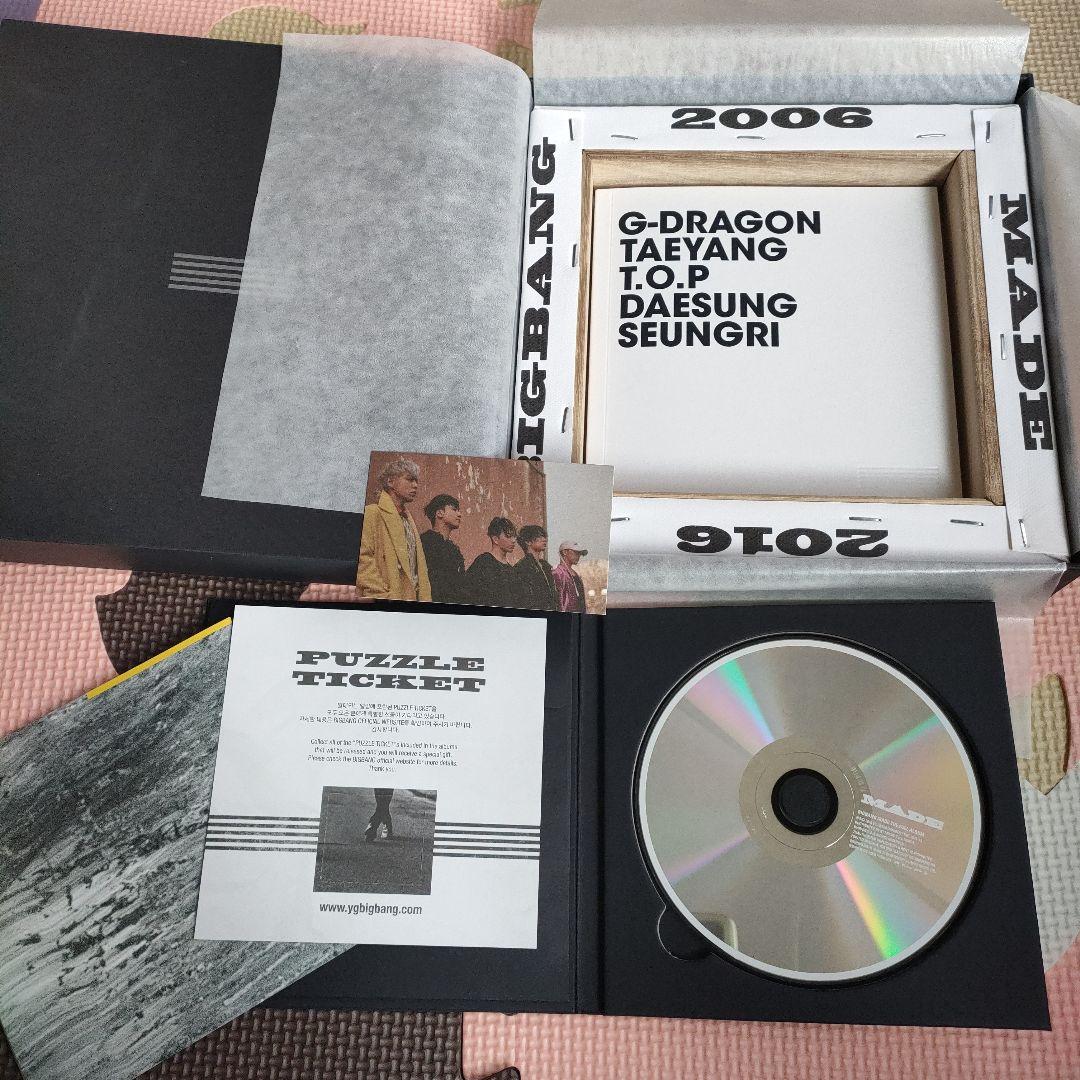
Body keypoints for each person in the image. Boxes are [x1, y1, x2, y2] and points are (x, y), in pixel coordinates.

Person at [356, 457, 432, 601]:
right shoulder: (373, 513)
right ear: (390, 481)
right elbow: (362, 558)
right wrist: (382, 594)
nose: (415, 485)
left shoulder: (407, 519)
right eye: (409, 479)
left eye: (416, 481)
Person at [420, 494, 465, 604]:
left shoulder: (453, 549)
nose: (459, 514)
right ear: (439, 513)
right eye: (454, 509)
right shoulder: (426, 542)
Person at [464, 517, 518, 608]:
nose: (513, 540)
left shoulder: (511, 569)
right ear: (495, 539)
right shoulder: (483, 562)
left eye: (514, 536)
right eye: (508, 536)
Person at [511, 524, 558, 611]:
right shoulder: (522, 567)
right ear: (528, 542)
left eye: (544, 537)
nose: (544, 539)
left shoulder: (545, 566)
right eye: (539, 537)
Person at [553, 541, 588, 613]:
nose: (578, 556)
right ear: (565, 552)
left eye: (580, 554)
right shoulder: (557, 573)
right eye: (576, 552)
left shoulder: (575, 573)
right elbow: (558, 599)